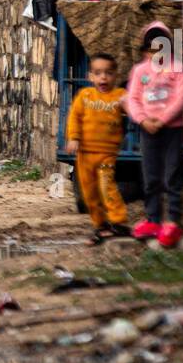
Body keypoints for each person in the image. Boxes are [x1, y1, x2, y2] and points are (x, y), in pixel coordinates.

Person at [126, 21, 183, 249]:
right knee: (150, 175)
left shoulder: (178, 69)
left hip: (172, 129)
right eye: (153, 50)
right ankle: (152, 219)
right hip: (148, 130)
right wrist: (144, 120)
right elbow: (132, 99)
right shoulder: (139, 71)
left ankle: (172, 220)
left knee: (173, 174)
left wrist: (161, 121)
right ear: (145, 52)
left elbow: (180, 99)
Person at [64, 53, 131, 244]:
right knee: (89, 193)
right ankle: (101, 225)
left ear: (116, 76)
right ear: (90, 77)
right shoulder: (84, 96)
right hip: (84, 154)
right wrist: (73, 138)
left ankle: (118, 223)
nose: (103, 77)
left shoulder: (119, 96)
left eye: (108, 73)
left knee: (106, 187)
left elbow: (133, 109)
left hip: (106, 154)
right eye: (98, 73)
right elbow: (74, 118)